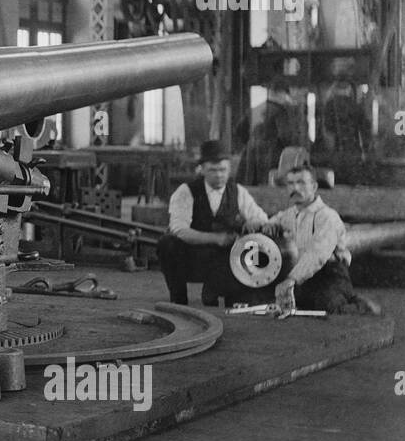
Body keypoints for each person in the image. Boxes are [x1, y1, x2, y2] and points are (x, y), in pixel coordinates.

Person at [157, 139, 269, 307]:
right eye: (213, 170)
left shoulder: (238, 192)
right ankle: (178, 299)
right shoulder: (185, 192)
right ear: (202, 169)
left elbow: (262, 218)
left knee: (252, 245)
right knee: (167, 243)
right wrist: (216, 238)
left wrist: (252, 222)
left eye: (223, 169)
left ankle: (220, 291)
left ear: (229, 168)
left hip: (225, 258)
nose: (218, 175)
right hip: (193, 257)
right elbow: (179, 230)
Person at [258, 164, 378, 314]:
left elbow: (318, 253)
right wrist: (270, 225)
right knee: (283, 308)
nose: (295, 188)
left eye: (301, 183)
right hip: (302, 275)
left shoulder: (328, 216)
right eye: (290, 183)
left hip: (330, 274)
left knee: (329, 310)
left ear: (314, 187)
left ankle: (363, 306)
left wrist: (292, 279)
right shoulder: (289, 214)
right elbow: (274, 220)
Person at [235, 76, 306, 185]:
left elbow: (240, 130)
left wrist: (253, 143)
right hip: (271, 156)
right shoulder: (281, 112)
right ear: (282, 93)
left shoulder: (255, 109)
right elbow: (286, 137)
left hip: (250, 157)